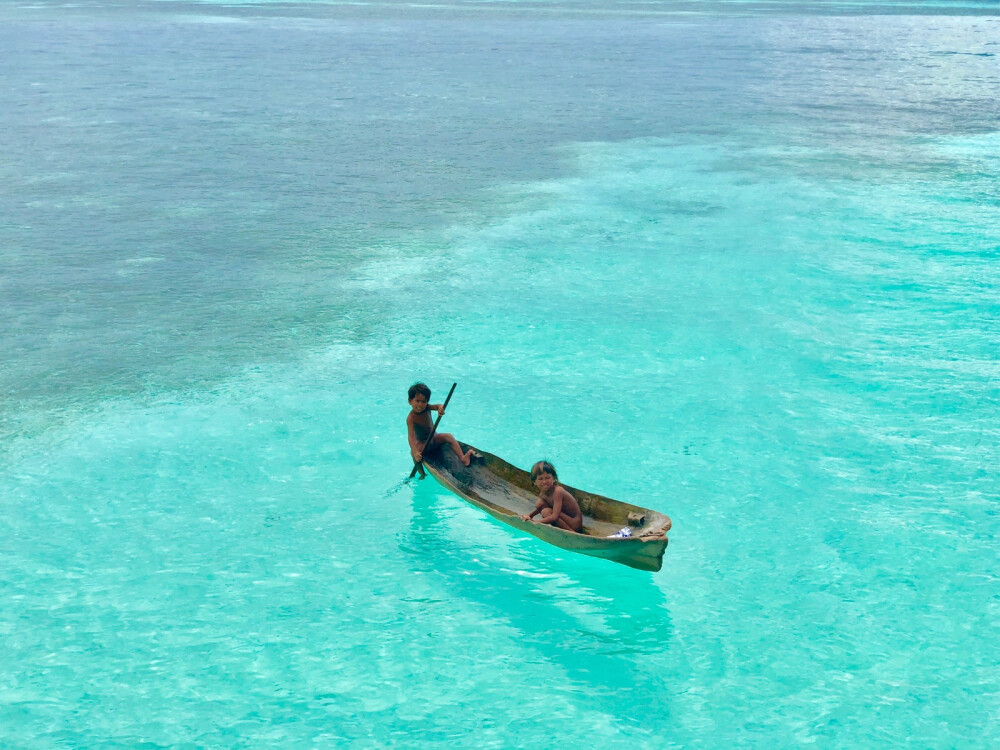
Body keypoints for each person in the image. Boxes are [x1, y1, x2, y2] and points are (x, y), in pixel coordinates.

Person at [407, 382, 473, 467]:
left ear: (427, 402)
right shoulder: (411, 418)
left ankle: (463, 458)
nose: (420, 404)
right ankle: (421, 473)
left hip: (434, 438)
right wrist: (415, 452)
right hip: (423, 444)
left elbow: (438, 406)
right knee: (413, 452)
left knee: (449, 436)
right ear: (410, 401)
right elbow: (411, 437)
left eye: (423, 401)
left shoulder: (427, 407)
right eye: (417, 401)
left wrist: (440, 409)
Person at [519, 461, 584, 533]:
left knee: (546, 512)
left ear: (554, 478)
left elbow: (555, 516)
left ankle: (571, 532)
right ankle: (567, 530)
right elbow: (540, 507)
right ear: (534, 482)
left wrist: (536, 522)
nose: (544, 481)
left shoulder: (558, 492)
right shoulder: (543, 493)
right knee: (540, 503)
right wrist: (530, 516)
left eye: (547, 478)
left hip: (574, 523)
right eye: (540, 479)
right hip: (566, 518)